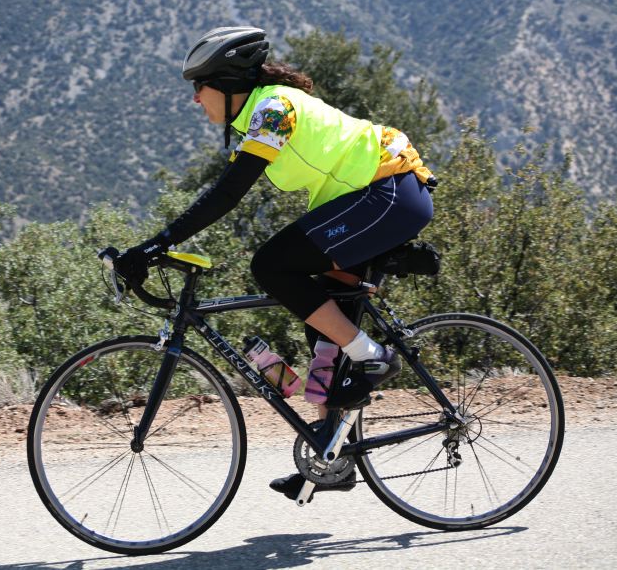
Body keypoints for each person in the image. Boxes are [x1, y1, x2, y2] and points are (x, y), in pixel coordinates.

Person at [113, 26, 436, 500]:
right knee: (327, 326)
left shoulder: (273, 108)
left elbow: (229, 192)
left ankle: (375, 357)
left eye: (198, 88)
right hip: (371, 197)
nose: (195, 100)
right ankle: (332, 459)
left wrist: (155, 244)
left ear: (225, 84)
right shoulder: (262, 112)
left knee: (272, 266)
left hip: (389, 191)